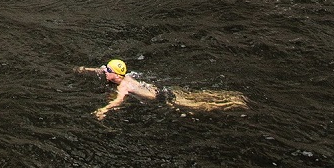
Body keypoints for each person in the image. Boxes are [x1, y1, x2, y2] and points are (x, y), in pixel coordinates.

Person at [77, 59, 247, 119]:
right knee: (197, 95)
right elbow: (101, 68)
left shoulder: (124, 85)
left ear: (117, 75)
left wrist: (104, 110)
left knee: (199, 105)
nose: (105, 71)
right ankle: (230, 96)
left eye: (109, 71)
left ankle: (231, 103)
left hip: (164, 98)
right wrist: (85, 69)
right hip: (164, 90)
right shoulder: (125, 76)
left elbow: (118, 100)